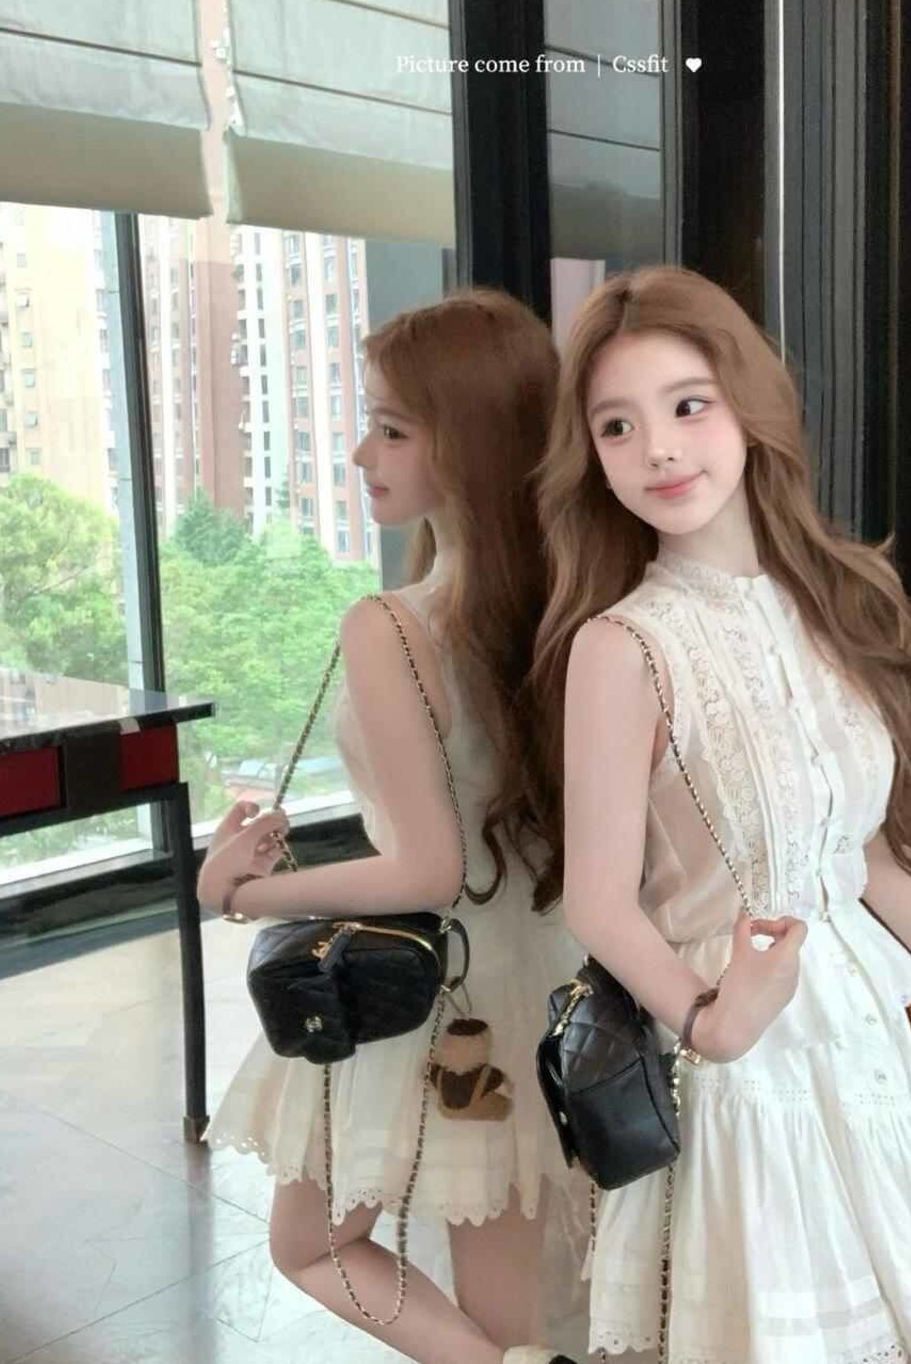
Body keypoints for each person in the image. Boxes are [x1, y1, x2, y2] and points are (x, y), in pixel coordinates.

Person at [531, 265, 911, 1364]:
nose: (658, 449)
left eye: (688, 405)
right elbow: (596, 899)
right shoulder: (622, 645)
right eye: (617, 426)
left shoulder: (826, 603)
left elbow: (866, 860)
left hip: (857, 1048)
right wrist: (711, 1022)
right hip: (740, 1077)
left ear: (748, 406)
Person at [198, 289, 583, 1364]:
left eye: (393, 428)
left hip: (440, 990)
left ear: (469, 441)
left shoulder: (391, 626)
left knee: (313, 1244)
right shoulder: (574, 601)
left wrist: (240, 892)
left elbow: (425, 867)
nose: (362, 453)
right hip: (559, 975)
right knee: (516, 1307)